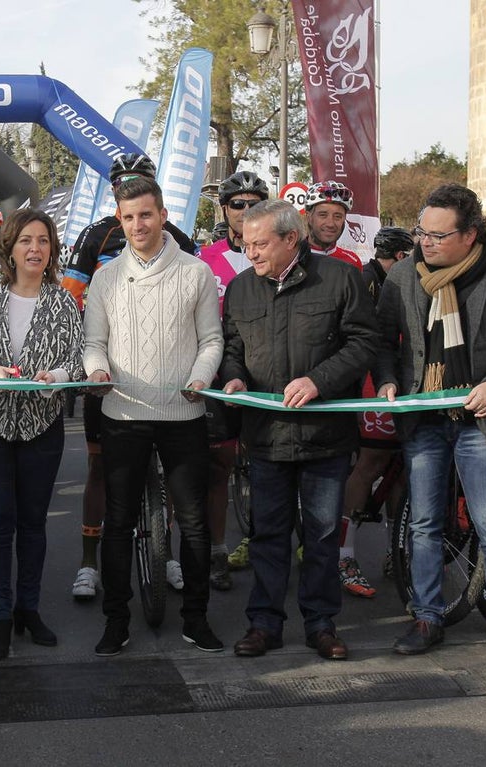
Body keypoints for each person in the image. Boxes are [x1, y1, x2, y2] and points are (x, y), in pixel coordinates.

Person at [375, 183, 486, 663]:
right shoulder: (404, 277)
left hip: (481, 422)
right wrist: (390, 380)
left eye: (437, 235)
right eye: (421, 233)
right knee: (426, 523)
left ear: (470, 234)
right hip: (423, 417)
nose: (425, 243)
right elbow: (381, 340)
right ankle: (427, 616)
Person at [220, 199, 376, 660]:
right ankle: (264, 623)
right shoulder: (241, 288)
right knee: (268, 535)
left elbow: (365, 341)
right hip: (265, 437)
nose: (251, 253)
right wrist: (234, 376)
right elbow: (233, 346)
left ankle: (321, 624)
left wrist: (319, 380)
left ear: (292, 238)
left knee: (321, 536)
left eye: (260, 243)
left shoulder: (340, 279)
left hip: (324, 437)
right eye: (246, 244)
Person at [83, 176, 224, 656]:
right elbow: (93, 344)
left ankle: (197, 618)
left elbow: (211, 340)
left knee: (194, 522)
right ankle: (116, 620)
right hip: (123, 412)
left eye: (146, 214)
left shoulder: (195, 272)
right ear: (119, 221)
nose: (138, 224)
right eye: (128, 217)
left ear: (163, 215)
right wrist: (97, 370)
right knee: (119, 522)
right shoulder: (105, 279)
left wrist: (202, 378)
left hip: (184, 412)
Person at [0, 209, 84, 661]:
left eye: (43, 241)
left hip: (43, 426)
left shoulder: (62, 301)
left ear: (52, 250)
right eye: (25, 240)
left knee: (33, 523)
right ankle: (2, 614)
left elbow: (80, 359)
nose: (34, 249)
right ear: (9, 248)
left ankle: (29, 608)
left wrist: (59, 374)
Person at [64, 153, 196, 602]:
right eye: (122, 182)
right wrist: (89, 361)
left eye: (140, 183)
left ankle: (169, 552)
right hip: (110, 373)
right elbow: (71, 300)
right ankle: (88, 561)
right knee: (101, 469)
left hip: (168, 379)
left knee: (170, 477)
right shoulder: (95, 234)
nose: (137, 217)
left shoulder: (179, 238)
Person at [197, 170, 269, 590]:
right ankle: (215, 550)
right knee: (218, 467)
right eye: (237, 204)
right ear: (224, 210)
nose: (245, 211)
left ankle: (267, 543)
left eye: (254, 203)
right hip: (221, 369)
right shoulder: (205, 258)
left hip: (267, 370)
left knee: (267, 465)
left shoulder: (278, 250)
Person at [338, 226, 415, 599]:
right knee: (371, 461)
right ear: (401, 256)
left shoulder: (399, 277)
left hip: (402, 380)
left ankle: (393, 550)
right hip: (373, 379)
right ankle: (345, 553)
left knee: (399, 468)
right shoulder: (368, 279)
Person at [304, 181, 361, 270]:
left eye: (338, 216)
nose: (330, 224)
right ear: (309, 217)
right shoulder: (290, 259)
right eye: (323, 215)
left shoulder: (352, 262)